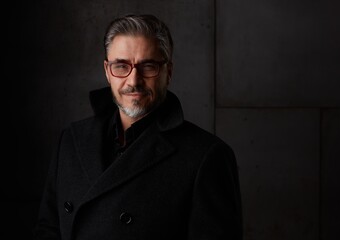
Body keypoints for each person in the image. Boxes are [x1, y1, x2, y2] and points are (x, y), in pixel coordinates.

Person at [34, 13, 242, 240]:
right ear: (107, 71)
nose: (134, 81)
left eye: (148, 66)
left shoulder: (206, 156)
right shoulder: (72, 139)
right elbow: (48, 229)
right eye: (121, 66)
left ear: (168, 72)